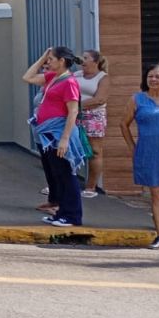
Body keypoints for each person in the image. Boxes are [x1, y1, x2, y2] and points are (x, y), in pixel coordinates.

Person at [23, 47, 86, 227]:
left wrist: (64, 139)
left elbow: (73, 111)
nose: (48, 62)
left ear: (62, 61)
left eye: (51, 59)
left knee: (66, 174)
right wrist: (43, 56)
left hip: (59, 133)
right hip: (49, 133)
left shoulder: (69, 82)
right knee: (58, 174)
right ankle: (62, 212)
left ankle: (72, 215)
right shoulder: (53, 77)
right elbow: (27, 77)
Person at [119, 63, 159, 249]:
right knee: (157, 194)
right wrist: (132, 147)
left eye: (158, 76)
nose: (153, 79)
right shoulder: (137, 99)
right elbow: (123, 124)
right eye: (150, 76)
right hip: (148, 152)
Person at [76, 50, 110, 197]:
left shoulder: (103, 77)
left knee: (94, 150)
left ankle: (91, 186)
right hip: (73, 115)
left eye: (86, 58)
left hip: (94, 116)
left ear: (95, 62)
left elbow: (100, 99)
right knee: (68, 147)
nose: (82, 60)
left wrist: (75, 106)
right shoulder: (76, 75)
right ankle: (63, 182)